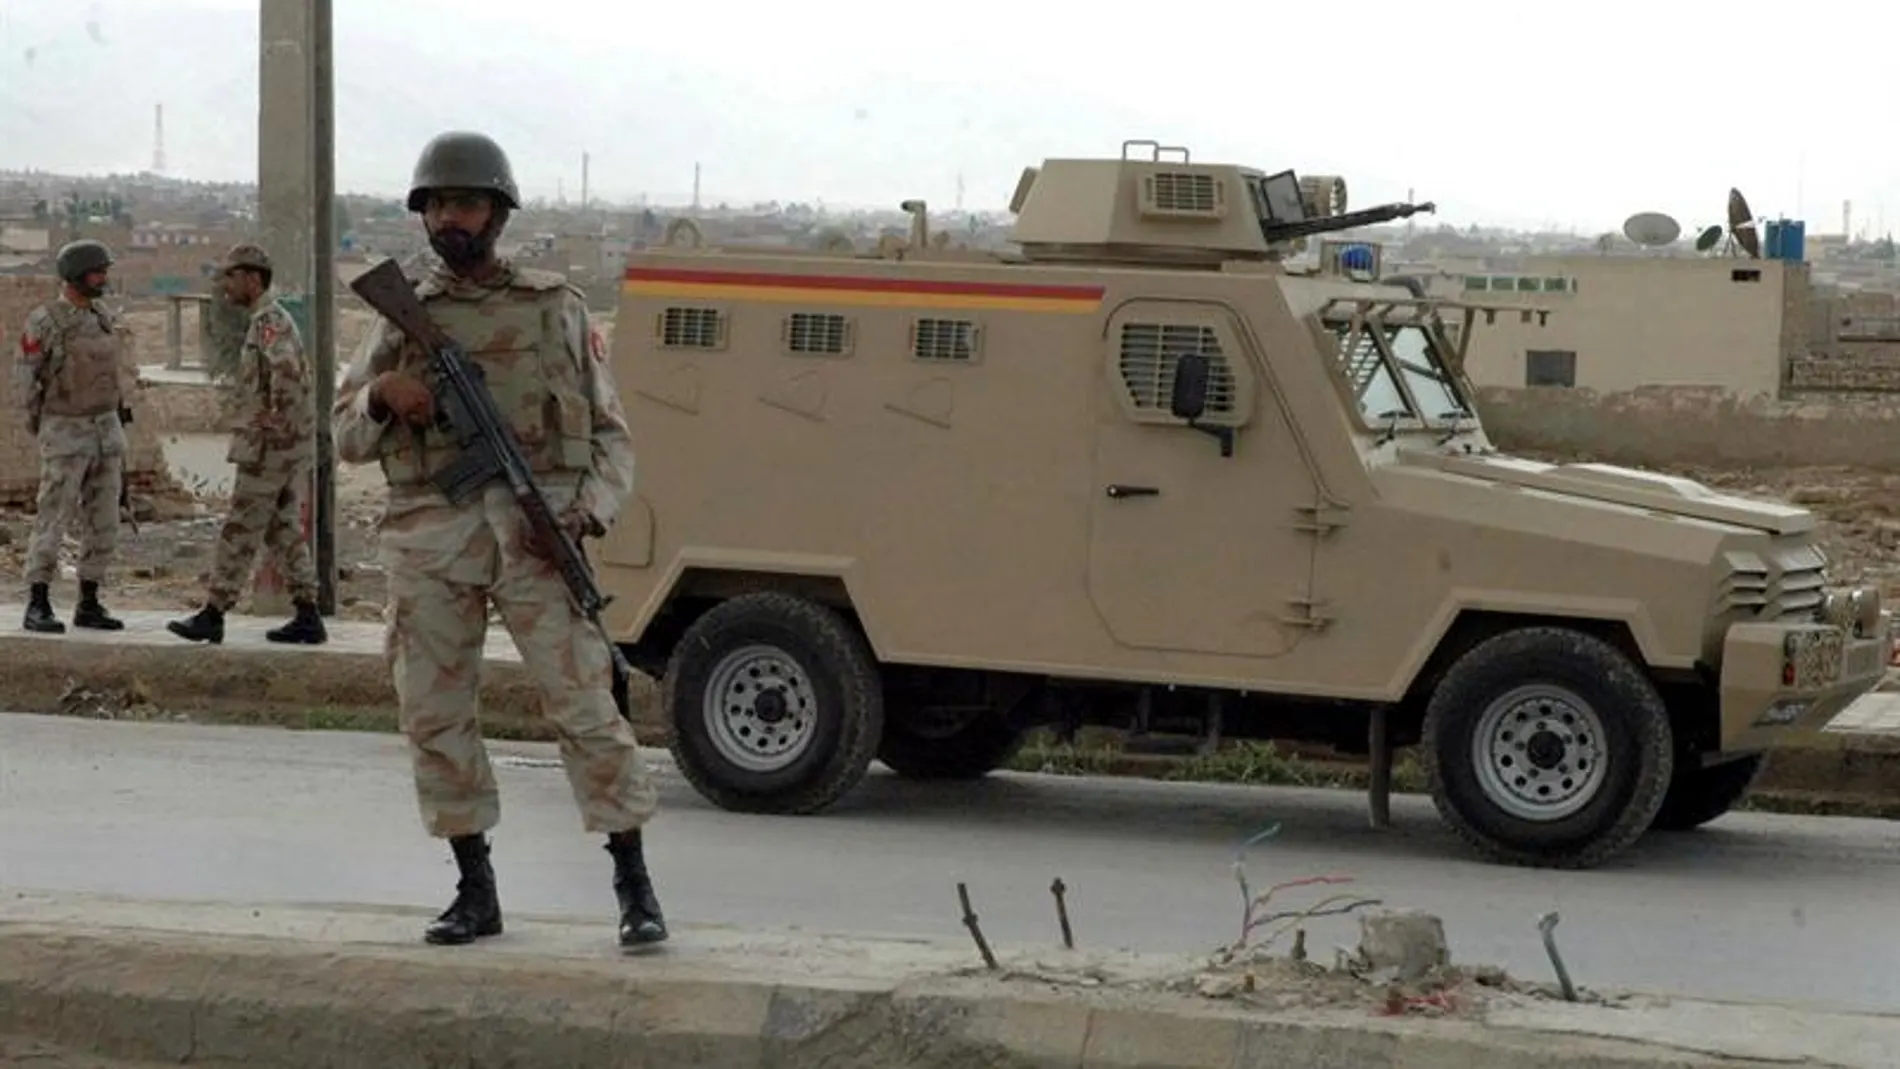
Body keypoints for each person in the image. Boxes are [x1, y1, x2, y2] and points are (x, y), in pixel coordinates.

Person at [331, 130, 666, 950]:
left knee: (587, 704)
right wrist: (383, 394)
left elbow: (614, 435)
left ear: (499, 213)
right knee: (435, 713)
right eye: (438, 203)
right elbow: (343, 433)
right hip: (428, 535)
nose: (451, 217)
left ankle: (635, 883)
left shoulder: (555, 306)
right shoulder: (399, 314)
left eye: (467, 202)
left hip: (536, 527)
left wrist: (585, 512)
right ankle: (473, 888)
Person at [166, 243, 327, 647]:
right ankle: (308, 612)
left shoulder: (270, 322)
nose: (225, 285)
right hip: (277, 444)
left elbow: (287, 371)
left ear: (253, 279)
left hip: (269, 446)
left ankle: (214, 612)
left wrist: (273, 422)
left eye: (232, 276)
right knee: (281, 528)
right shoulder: (264, 320)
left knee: (240, 526)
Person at [14, 238, 135, 635]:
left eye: (104, 271)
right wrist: (45, 426)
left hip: (105, 432)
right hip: (65, 432)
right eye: (97, 272)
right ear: (75, 276)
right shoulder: (45, 321)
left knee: (104, 522)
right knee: (53, 517)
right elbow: (26, 382)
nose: (103, 278)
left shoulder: (101, 316)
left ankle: (89, 600)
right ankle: (38, 601)